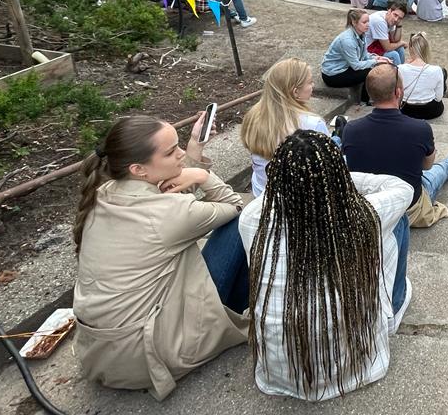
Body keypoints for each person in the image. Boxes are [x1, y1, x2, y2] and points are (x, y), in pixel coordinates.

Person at [72, 114, 249, 401]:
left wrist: (194, 147)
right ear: (139, 169)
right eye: (171, 152)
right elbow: (234, 205)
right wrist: (202, 175)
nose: (180, 155)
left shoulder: (103, 193)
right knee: (244, 223)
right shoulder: (169, 215)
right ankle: (252, 306)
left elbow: (172, 196)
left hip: (103, 351)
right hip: (151, 355)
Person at [240, 130, 413, 401]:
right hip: (357, 369)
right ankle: (396, 303)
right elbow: (402, 188)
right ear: (339, 174)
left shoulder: (252, 218)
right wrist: (333, 176)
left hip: (276, 375)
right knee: (397, 222)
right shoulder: (365, 216)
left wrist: (307, 178)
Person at [343, 64, 448, 313]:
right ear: (398, 92)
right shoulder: (419, 128)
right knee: (440, 170)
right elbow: (427, 164)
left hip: (368, 203)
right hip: (410, 205)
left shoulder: (351, 130)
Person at [241, 58, 331, 196]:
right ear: (295, 92)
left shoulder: (252, 115)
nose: (313, 85)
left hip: (262, 191)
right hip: (298, 197)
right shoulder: (312, 124)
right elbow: (326, 165)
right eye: (310, 82)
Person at [321, 10, 390, 102]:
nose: (368, 24)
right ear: (354, 22)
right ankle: (364, 101)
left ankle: (368, 99)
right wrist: (375, 61)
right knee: (370, 72)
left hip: (345, 67)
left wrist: (377, 57)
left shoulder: (362, 34)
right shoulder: (347, 40)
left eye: (368, 21)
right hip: (332, 74)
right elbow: (356, 65)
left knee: (373, 67)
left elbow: (364, 55)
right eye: (364, 22)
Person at [399, 32, 447, 120]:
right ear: (426, 49)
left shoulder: (400, 68)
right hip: (430, 111)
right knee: (443, 73)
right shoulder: (436, 70)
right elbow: (439, 97)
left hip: (406, 110)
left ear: (410, 48)